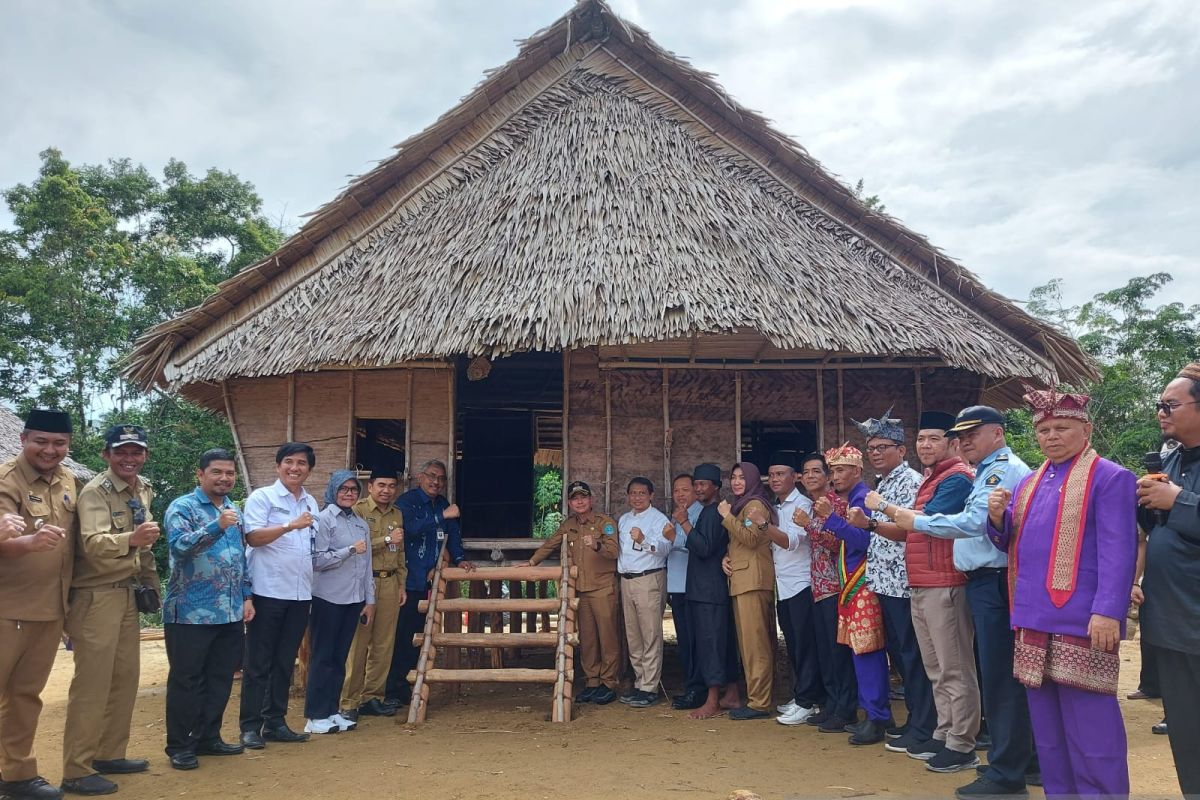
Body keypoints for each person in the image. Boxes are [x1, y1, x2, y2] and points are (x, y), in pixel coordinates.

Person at [871, 406, 1036, 798]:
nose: (965, 442)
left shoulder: (986, 471)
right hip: (968, 580)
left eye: (971, 435)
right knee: (960, 671)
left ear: (997, 433)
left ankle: (983, 755)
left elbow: (968, 523)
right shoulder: (975, 472)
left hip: (981, 580)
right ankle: (984, 750)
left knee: (977, 673)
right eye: (960, 436)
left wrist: (902, 516)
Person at [985, 388, 1136, 797]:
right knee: (1048, 732)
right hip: (1032, 619)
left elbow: (1119, 549)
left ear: (1085, 429)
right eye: (1044, 429)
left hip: (1084, 621)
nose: (1051, 436)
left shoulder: (1111, 476)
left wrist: (1108, 610)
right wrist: (997, 519)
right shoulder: (1030, 482)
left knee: (1093, 728)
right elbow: (1012, 544)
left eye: (1062, 427)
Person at [871, 411, 980, 772]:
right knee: (936, 668)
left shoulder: (957, 478)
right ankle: (944, 732)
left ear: (951, 443)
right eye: (921, 439)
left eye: (933, 438)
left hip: (944, 581)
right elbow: (911, 526)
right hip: (920, 580)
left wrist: (881, 508)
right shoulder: (932, 478)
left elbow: (926, 521)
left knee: (955, 667)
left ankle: (963, 743)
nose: (926, 445)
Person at [62, 424, 159, 795]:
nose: (129, 459)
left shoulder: (143, 488)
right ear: (106, 454)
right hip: (96, 596)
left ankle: (109, 753)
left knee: (124, 679)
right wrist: (131, 539)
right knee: (92, 685)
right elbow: (92, 544)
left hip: (127, 595)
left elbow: (145, 547)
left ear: (144, 455)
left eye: (136, 452)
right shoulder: (94, 493)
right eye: (121, 452)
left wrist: (152, 585)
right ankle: (76, 769)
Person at [0, 409, 76, 800]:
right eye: (41, 441)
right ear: (23, 439)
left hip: (49, 609)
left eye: (59, 443)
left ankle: (16, 775)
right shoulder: (5, 480)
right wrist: (28, 543)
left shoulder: (67, 480)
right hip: (7, 607)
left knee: (26, 695)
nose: (50, 450)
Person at [850, 409, 936, 754]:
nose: (875, 453)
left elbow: (908, 530)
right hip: (884, 581)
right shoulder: (884, 482)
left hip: (903, 581)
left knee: (913, 656)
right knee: (902, 657)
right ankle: (915, 721)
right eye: (871, 448)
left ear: (901, 450)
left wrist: (868, 523)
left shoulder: (909, 481)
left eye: (883, 447)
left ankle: (923, 724)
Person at [162, 449, 253, 771]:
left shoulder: (232, 508)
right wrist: (216, 526)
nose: (224, 478)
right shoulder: (182, 507)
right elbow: (179, 547)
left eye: (229, 473)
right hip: (189, 612)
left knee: (220, 678)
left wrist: (246, 596)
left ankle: (208, 737)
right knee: (187, 680)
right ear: (200, 474)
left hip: (228, 611)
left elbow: (239, 558)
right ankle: (180, 745)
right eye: (217, 472)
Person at [1137, 361, 1200, 798]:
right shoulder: (1173, 457)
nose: (1161, 412)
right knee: (1184, 722)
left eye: (1170, 404)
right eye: (1159, 404)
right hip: (1173, 617)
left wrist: (1179, 500)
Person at [239, 442, 320, 749]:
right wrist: (289, 525)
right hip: (267, 591)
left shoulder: (311, 501)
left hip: (300, 594)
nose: (295, 468)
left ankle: (275, 722)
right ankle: (249, 726)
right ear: (277, 466)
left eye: (301, 463)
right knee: (258, 662)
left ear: (309, 470)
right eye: (289, 462)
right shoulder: (263, 497)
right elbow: (253, 537)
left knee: (285, 662)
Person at [810, 445, 891, 745]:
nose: (835, 476)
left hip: (863, 582)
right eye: (833, 470)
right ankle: (876, 712)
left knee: (867, 650)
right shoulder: (852, 498)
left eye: (841, 469)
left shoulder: (862, 498)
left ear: (857, 471)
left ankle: (876, 716)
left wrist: (832, 519)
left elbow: (864, 541)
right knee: (861, 650)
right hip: (852, 583)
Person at [387, 460, 473, 707]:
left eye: (441, 478)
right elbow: (409, 530)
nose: (436, 482)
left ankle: (408, 687)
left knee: (420, 637)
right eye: (432, 477)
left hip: (429, 578)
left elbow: (452, 533)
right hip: (408, 580)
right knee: (402, 636)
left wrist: (459, 559)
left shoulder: (442, 503)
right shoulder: (407, 503)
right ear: (419, 477)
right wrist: (440, 516)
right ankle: (393, 690)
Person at [526, 481, 620, 704]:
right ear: (569, 502)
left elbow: (614, 552)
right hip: (581, 591)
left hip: (603, 588)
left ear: (591, 500)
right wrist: (531, 562)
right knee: (587, 639)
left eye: (583, 497)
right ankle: (592, 682)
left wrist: (596, 544)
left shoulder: (605, 524)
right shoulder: (568, 525)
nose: (579, 501)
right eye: (575, 498)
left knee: (607, 637)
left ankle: (609, 683)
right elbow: (550, 544)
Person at [794, 453, 858, 733]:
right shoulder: (810, 506)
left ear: (828, 476)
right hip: (818, 587)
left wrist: (809, 525)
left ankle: (846, 710)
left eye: (816, 471)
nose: (810, 476)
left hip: (837, 587)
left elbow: (837, 543)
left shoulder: (837, 504)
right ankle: (832, 705)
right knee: (826, 653)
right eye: (806, 472)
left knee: (838, 653)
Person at [305, 471, 373, 735]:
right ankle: (315, 715)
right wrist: (349, 550)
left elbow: (367, 567)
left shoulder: (360, 524)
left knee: (339, 657)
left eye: (354, 489)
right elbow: (317, 561)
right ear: (333, 490)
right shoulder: (323, 520)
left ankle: (332, 712)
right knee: (322, 657)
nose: (349, 493)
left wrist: (370, 599)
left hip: (353, 599)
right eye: (343, 489)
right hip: (327, 598)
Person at [342, 469, 407, 719]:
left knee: (383, 644)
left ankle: (373, 697)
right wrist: (387, 538)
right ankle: (349, 701)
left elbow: (400, 552)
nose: (386, 490)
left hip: (390, 582)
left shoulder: (396, 512)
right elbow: (356, 546)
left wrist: (402, 582)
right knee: (358, 644)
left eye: (392, 486)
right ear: (370, 486)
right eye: (381, 485)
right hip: (363, 581)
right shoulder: (358, 510)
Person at [762, 452, 821, 726]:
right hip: (783, 585)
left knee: (805, 645)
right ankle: (801, 696)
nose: (775, 479)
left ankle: (808, 701)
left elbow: (791, 542)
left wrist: (764, 526)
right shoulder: (779, 506)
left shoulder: (804, 505)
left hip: (801, 584)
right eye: (772, 474)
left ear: (795, 477)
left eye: (781, 474)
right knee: (795, 645)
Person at [717, 462, 777, 720]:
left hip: (753, 581)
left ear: (753, 480)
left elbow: (752, 538)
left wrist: (727, 516)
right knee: (749, 644)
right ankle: (756, 697)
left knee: (756, 644)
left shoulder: (755, 505)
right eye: (734, 477)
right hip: (743, 580)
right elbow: (741, 543)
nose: (737, 482)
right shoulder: (744, 504)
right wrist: (726, 557)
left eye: (743, 477)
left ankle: (760, 702)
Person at [683, 464, 741, 719]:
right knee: (721, 642)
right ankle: (732, 694)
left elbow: (705, 548)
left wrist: (684, 524)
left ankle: (712, 699)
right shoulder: (710, 511)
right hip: (708, 589)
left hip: (709, 590)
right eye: (696, 485)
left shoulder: (714, 513)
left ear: (716, 487)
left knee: (712, 644)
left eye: (703, 484)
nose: (698, 488)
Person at [616, 477, 673, 708]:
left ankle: (650, 686)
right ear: (628, 496)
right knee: (633, 635)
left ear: (651, 495)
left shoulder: (660, 520)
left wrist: (643, 539)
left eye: (642, 493)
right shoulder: (623, 519)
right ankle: (640, 682)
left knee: (650, 634)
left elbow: (666, 548)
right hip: (626, 580)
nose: (637, 497)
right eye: (633, 493)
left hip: (649, 578)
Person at [666, 474, 704, 710]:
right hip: (677, 586)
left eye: (685, 490)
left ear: (695, 491)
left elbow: (699, 545)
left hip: (694, 586)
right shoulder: (675, 514)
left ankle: (697, 689)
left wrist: (674, 537)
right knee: (685, 640)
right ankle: (690, 685)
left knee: (696, 640)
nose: (680, 494)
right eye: (676, 490)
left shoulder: (701, 514)